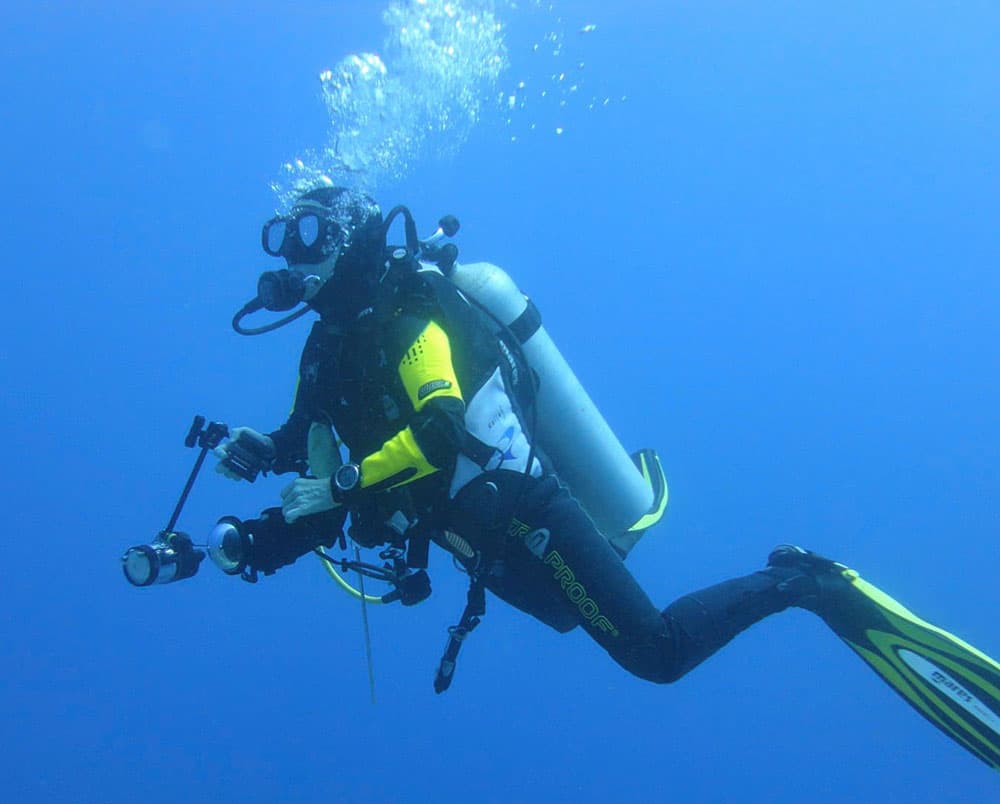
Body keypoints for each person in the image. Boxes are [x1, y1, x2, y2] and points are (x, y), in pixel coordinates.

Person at [214, 184, 1000, 770]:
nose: (293, 255)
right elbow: (310, 467)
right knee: (567, 616)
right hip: (477, 539)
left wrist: (347, 485)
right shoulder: (324, 355)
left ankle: (805, 584)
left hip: (521, 506)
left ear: (348, 240)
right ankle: (772, 578)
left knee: (654, 654)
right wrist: (252, 527)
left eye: (309, 234)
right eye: (284, 238)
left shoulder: (411, 319)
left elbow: (437, 427)